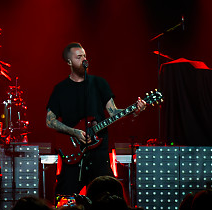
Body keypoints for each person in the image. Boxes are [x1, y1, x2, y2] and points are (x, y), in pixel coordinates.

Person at [45, 42, 146, 196]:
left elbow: (113, 112)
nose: (84, 59)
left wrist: (134, 111)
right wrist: (74, 132)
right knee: (65, 196)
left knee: (109, 196)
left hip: (99, 153)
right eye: (79, 57)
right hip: (73, 153)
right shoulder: (60, 89)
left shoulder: (99, 83)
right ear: (69, 62)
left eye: (85, 55)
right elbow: (49, 121)